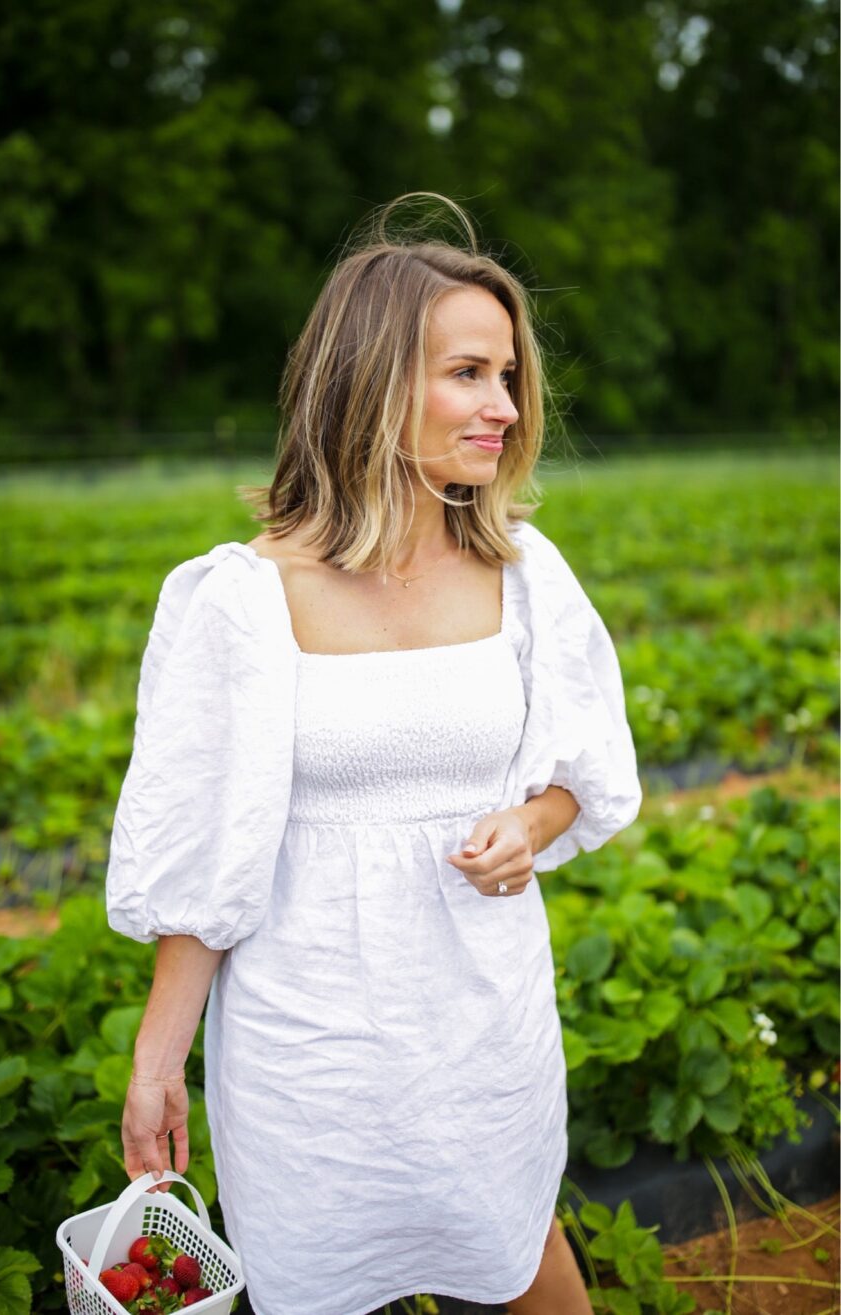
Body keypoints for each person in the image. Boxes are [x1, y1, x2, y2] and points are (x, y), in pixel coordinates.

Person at [106, 193, 642, 1315]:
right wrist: (160, 1059)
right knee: (321, 1272)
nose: (501, 406)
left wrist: (528, 828)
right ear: (371, 380)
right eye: (467, 374)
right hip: (312, 1039)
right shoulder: (243, 602)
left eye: (507, 377)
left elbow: (581, 772)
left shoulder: (526, 573)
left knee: (515, 1246)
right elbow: (209, 859)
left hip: (480, 1017)